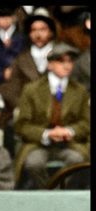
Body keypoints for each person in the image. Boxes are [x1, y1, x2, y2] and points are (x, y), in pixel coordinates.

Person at [13, 43, 90, 189]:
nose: (67, 65)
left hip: (70, 144)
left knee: (78, 160)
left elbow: (86, 123)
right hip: (38, 144)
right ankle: (47, 194)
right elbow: (22, 125)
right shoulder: (32, 90)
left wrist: (69, 131)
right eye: (61, 61)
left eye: (70, 61)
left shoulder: (80, 91)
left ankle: (66, 195)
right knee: (33, 163)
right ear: (50, 65)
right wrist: (47, 134)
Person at [0, 7, 57, 122]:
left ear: (51, 32)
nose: (38, 34)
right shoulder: (21, 59)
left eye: (43, 29)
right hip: (27, 113)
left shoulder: (61, 56)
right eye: (33, 30)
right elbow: (12, 90)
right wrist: (26, 108)